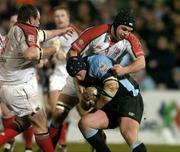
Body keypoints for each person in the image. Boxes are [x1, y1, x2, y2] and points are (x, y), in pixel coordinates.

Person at [50, 9, 145, 148]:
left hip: (102, 81)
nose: (126, 33)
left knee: (87, 115)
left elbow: (141, 62)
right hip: (81, 74)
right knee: (58, 113)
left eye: (129, 30)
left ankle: (98, 144)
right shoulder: (96, 32)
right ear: (115, 24)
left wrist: (124, 70)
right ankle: (48, 149)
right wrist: (79, 80)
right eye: (124, 29)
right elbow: (73, 51)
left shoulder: (129, 39)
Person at [0, 4, 72, 152]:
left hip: (10, 85)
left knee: (25, 122)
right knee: (40, 121)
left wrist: (60, 32)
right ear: (31, 19)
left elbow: (43, 34)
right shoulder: (26, 30)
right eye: (38, 19)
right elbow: (30, 54)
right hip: (19, 87)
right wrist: (53, 49)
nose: (39, 22)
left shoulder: (18, 29)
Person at [66, 54, 147, 152]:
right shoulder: (78, 77)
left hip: (128, 98)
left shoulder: (97, 61)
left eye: (78, 74)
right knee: (85, 123)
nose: (78, 78)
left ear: (83, 67)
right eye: (75, 76)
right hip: (109, 102)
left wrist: (96, 99)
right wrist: (86, 99)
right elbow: (85, 106)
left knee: (128, 133)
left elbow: (112, 86)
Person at [46, 6, 80, 151]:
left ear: (68, 18)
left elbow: (82, 56)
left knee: (85, 113)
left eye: (62, 15)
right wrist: (47, 60)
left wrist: (66, 57)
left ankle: (97, 143)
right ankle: (60, 144)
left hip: (73, 77)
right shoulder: (51, 35)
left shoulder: (75, 34)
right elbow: (47, 57)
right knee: (57, 112)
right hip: (57, 76)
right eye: (56, 16)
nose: (59, 18)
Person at [0, 13, 34, 152]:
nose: (15, 25)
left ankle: (28, 147)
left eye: (17, 22)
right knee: (6, 113)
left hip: (24, 82)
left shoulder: (26, 41)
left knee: (27, 115)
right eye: (12, 22)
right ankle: (10, 141)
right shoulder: (3, 40)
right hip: (5, 81)